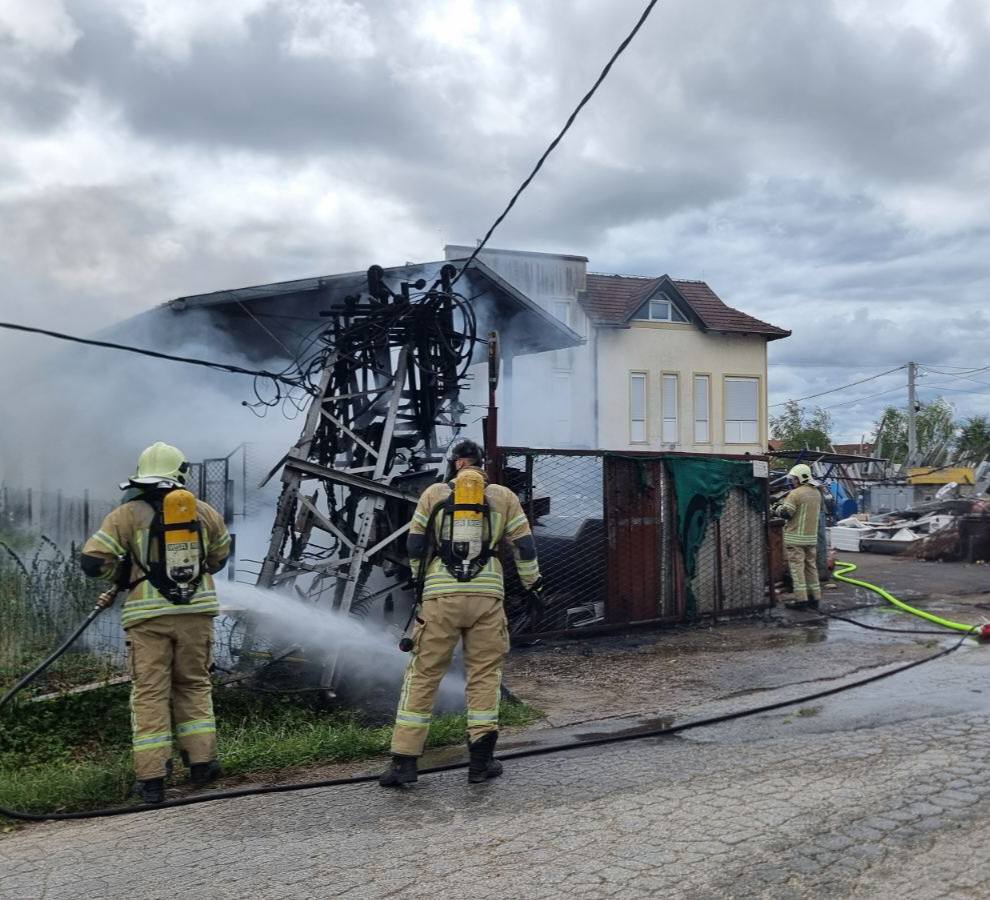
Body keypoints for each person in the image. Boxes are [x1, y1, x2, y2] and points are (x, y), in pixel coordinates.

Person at [379, 439, 542, 787]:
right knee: (484, 676)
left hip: (441, 597)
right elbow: (525, 546)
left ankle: (404, 763)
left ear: (455, 464)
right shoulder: (503, 497)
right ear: (482, 466)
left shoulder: (433, 494)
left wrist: (420, 580)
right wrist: (532, 584)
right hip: (487, 597)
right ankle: (480, 764)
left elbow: (415, 543)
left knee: (423, 675)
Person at [80, 442, 231, 804]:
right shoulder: (204, 512)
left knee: (150, 693)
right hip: (196, 614)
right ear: (180, 473)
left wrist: (120, 571)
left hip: (147, 620)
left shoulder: (126, 514)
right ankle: (202, 765)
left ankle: (152, 780)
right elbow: (219, 558)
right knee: (194, 685)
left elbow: (92, 561)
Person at [772, 463, 823, 609]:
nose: (792, 481)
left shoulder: (795, 494)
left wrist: (775, 508)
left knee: (797, 569)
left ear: (800, 478)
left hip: (795, 539)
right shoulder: (816, 493)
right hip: (810, 538)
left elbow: (786, 513)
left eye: (794, 478)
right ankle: (815, 598)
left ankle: (801, 600)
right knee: (811, 567)